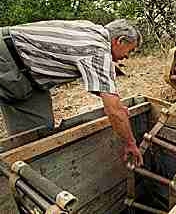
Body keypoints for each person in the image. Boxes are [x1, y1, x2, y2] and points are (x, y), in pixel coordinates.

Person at [0, 19, 143, 166]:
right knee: (34, 144)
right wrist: (130, 143)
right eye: (130, 50)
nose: (127, 56)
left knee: (38, 134)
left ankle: (27, 168)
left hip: (27, 74)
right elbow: (113, 110)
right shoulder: (98, 51)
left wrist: (117, 107)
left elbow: (103, 91)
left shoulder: (91, 29)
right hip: (7, 58)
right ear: (119, 41)